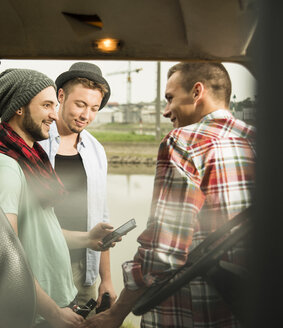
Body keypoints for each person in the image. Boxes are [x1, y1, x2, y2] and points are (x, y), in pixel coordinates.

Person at [79, 62, 256, 328]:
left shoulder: (184, 141)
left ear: (197, 92)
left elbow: (163, 249)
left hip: (190, 311)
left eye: (170, 98)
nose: (165, 111)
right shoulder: (258, 140)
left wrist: (117, 314)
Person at [0, 68, 116, 328]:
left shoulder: (33, 159)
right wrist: (53, 312)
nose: (53, 115)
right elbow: (5, 253)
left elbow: (43, 230)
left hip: (58, 292)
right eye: (47, 105)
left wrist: (88, 240)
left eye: (94, 108)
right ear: (19, 107)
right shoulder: (6, 166)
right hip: (38, 303)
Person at [39, 62, 117, 311]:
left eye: (94, 108)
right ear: (60, 96)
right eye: (80, 104)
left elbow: (101, 217)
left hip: (84, 271)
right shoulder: (36, 145)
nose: (86, 116)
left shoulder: (96, 150)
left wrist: (107, 279)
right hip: (42, 268)